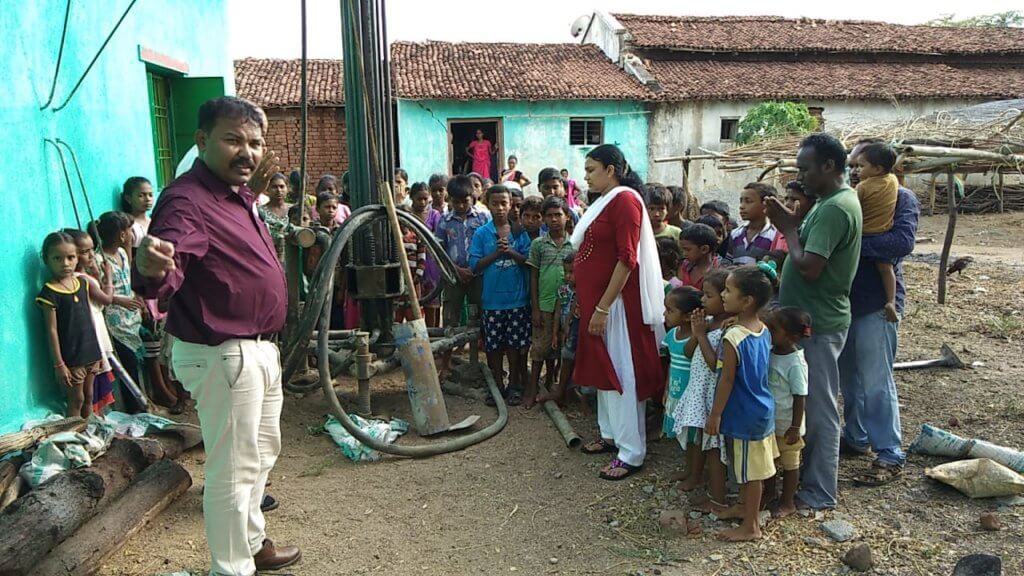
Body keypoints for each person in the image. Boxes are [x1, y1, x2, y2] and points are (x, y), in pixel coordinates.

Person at [133, 96, 300, 574]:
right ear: (202, 141)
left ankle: (252, 543)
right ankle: (231, 569)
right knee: (232, 469)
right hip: (224, 352)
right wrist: (151, 270)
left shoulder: (236, 195)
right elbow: (169, 262)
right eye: (233, 140)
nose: (247, 151)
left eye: (255, 141)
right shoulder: (187, 200)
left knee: (261, 454)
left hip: (257, 350)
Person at [765, 133, 862, 511]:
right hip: (809, 318)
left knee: (818, 407)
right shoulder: (828, 203)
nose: (800, 176)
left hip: (818, 323)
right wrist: (795, 222)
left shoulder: (837, 207)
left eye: (805, 169)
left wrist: (787, 227)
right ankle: (805, 476)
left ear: (829, 166)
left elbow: (809, 267)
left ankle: (820, 491)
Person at [572, 144, 665, 481]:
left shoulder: (625, 201)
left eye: (591, 169)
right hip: (601, 304)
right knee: (604, 369)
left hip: (617, 306)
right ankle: (611, 435)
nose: (586, 176)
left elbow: (627, 258)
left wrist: (602, 307)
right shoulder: (604, 202)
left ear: (611, 170)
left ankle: (632, 452)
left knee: (622, 373)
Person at [840, 138, 920, 487]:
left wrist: (851, 245)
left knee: (876, 380)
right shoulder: (850, 196)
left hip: (878, 302)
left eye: (860, 164)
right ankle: (856, 437)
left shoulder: (902, 198)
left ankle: (889, 451)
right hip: (844, 300)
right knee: (848, 379)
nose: (854, 170)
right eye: (852, 164)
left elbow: (900, 243)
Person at [707, 265, 776, 541]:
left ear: (746, 301)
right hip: (758, 409)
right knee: (745, 467)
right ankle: (742, 508)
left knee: (752, 474)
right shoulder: (762, 328)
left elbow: (726, 379)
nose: (723, 294)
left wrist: (714, 414)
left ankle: (751, 526)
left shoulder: (733, 337)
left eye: (728, 290)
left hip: (745, 412)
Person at [469, 185, 532, 406]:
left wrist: (510, 252)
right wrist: (496, 253)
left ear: (510, 205)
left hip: (517, 300)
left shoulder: (519, 232)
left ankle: (514, 384)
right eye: (495, 203)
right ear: (487, 204)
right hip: (492, 301)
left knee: (515, 345)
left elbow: (528, 261)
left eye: (504, 203)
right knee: (494, 345)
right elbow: (475, 265)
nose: (500, 208)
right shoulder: (482, 233)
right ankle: (497, 384)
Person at [672, 269, 729, 507]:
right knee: (695, 437)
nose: (702, 300)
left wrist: (701, 336)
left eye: (708, 295)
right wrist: (697, 333)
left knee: (713, 447)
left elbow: (715, 364)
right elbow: (687, 352)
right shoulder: (707, 323)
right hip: (697, 391)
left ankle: (716, 496)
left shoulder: (727, 327)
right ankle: (692, 473)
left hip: (711, 394)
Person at [36, 231, 104, 419]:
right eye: (57, 258)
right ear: (46, 259)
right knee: (77, 399)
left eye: (70, 257)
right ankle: (71, 437)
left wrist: (98, 353)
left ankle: (88, 434)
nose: (65, 263)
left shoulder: (82, 284)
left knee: (90, 396)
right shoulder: (49, 293)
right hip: (72, 358)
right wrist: (59, 364)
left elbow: (89, 320)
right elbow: (51, 330)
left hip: (90, 352)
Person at [435, 175, 489, 378]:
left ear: (472, 197)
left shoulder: (483, 218)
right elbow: (439, 250)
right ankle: (446, 364)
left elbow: (488, 247)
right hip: (453, 277)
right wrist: (457, 270)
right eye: (455, 201)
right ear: (449, 200)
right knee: (451, 319)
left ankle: (478, 362)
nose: (460, 205)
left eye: (464, 201)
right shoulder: (444, 221)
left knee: (479, 317)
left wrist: (474, 269)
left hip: (478, 276)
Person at [527, 196, 574, 408]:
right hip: (545, 304)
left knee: (562, 347)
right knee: (539, 347)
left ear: (567, 217)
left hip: (568, 306)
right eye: (550, 216)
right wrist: (535, 307)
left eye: (558, 215)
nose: (554, 219)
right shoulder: (538, 244)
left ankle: (556, 386)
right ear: (544, 219)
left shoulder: (575, 243)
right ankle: (532, 388)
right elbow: (533, 276)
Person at [98, 211, 146, 413]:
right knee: (126, 366)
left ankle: (142, 402)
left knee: (137, 361)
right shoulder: (100, 260)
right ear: (121, 235)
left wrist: (137, 298)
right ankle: (135, 409)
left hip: (131, 316)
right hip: (115, 320)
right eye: (128, 230)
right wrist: (120, 300)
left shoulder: (123, 254)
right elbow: (98, 292)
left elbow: (129, 280)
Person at [765, 306, 811, 519]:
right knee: (770, 461)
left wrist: (795, 427)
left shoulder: (794, 362)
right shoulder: (772, 351)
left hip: (788, 426)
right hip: (771, 422)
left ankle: (788, 501)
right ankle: (769, 494)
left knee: (790, 464)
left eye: (773, 329)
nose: (768, 332)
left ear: (791, 337)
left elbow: (800, 396)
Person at [66, 228, 117, 413]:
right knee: (91, 386)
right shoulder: (83, 280)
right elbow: (107, 299)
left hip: (92, 332)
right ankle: (91, 418)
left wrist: (95, 273)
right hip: (93, 334)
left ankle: (93, 418)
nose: (90, 255)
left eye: (91, 250)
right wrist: (108, 275)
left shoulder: (78, 278)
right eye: (84, 251)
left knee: (91, 386)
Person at [851, 142, 900, 323]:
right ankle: (892, 301)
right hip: (883, 232)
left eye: (861, 166)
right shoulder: (893, 181)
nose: (856, 171)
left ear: (877, 169)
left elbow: (850, 206)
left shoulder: (863, 187)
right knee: (886, 269)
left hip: (864, 234)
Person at [661, 286, 702, 442]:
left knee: (693, 438)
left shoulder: (698, 337)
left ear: (687, 317)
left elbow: (688, 353)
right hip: (676, 392)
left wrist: (698, 334)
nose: (665, 314)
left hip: (691, 397)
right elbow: (672, 364)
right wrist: (667, 389)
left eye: (670, 311)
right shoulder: (671, 335)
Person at [544, 252, 581, 406]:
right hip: (564, 332)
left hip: (575, 331)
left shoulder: (584, 290)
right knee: (564, 357)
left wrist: (567, 327)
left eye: (571, 272)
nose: (567, 276)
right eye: (566, 272)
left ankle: (570, 392)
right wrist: (554, 334)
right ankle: (564, 392)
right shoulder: (563, 290)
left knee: (572, 359)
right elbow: (558, 311)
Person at [408, 182, 443, 327]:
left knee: (432, 301)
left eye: (425, 199)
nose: (422, 202)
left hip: (430, 262)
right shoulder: (406, 214)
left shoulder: (434, 215)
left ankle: (433, 334)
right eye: (419, 199)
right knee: (412, 302)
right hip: (412, 261)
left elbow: (438, 237)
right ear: (411, 197)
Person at [730, 182, 788, 266]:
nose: (741, 206)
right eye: (741, 201)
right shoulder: (735, 234)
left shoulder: (775, 236)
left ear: (766, 204)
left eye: (748, 201)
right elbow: (727, 261)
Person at [258, 172, 291, 263]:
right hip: (269, 257)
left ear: (287, 188)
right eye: (274, 187)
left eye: (282, 186)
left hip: (292, 258)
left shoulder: (294, 210)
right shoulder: (259, 212)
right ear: (267, 189)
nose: (278, 190)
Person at [678, 223, 720, 290]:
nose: (684, 254)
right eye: (682, 250)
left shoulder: (718, 271)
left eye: (687, 250)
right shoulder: (684, 267)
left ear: (704, 249)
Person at [121, 177, 155, 255]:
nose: (148, 199)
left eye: (150, 195)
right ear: (128, 199)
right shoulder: (130, 226)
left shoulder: (153, 220)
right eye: (141, 195)